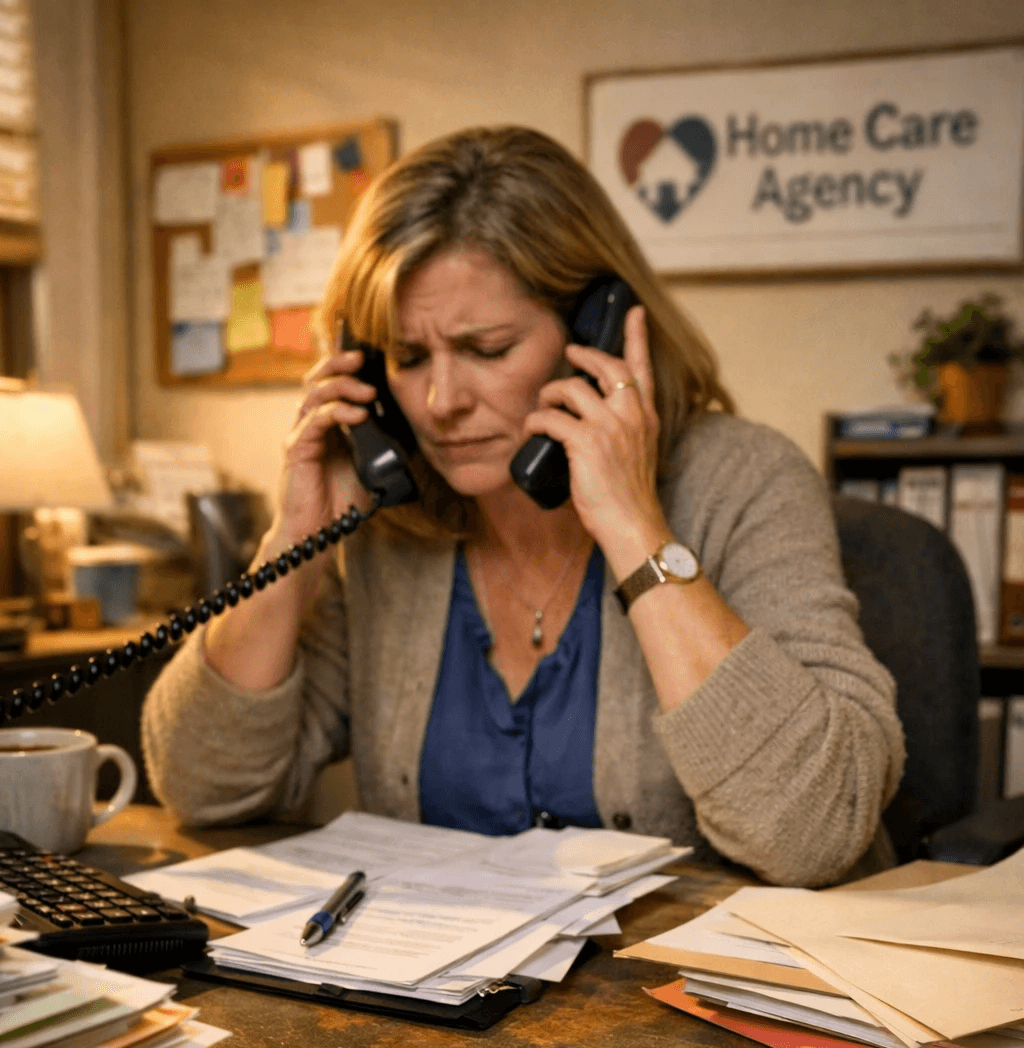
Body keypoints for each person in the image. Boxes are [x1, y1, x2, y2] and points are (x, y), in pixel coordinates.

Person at [142, 126, 905, 888]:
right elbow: (205, 787)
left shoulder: (745, 481)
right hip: (453, 997)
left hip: (683, 998)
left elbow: (817, 830)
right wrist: (293, 546)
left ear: (593, 331)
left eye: (488, 348)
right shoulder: (387, 530)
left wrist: (635, 527)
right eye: (409, 359)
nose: (441, 403)